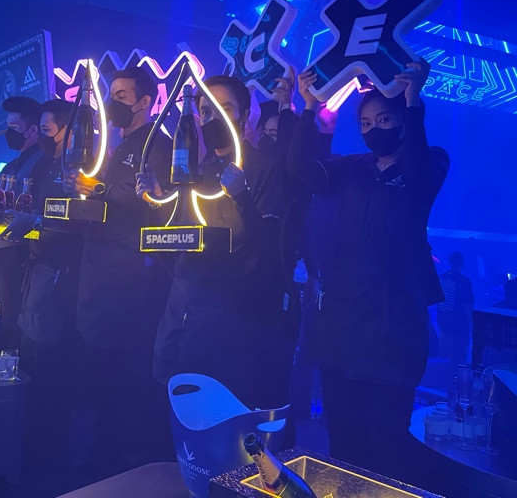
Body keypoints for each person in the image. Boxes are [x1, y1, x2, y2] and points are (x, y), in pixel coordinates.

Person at [287, 61, 449, 482]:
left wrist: (413, 103)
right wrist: (308, 109)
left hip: (396, 323)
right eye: (365, 123)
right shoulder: (352, 167)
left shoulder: (430, 160)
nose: (373, 128)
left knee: (386, 437)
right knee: (343, 437)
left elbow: (417, 180)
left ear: (403, 120)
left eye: (384, 119)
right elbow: (299, 173)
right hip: (342, 322)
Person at [143, 75, 297, 412]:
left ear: (244, 114)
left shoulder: (264, 168)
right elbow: (179, 238)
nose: (213, 118)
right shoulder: (198, 169)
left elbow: (273, 249)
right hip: (183, 322)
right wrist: (156, 200)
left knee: (227, 425)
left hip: (235, 330)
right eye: (206, 111)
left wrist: (241, 196)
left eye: (224, 108)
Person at [74, 66, 173, 472]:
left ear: (145, 101)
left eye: (121, 95)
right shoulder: (117, 147)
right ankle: (104, 455)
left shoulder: (158, 144)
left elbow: (151, 201)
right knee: (104, 372)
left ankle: (134, 463)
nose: (113, 102)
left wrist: (98, 188)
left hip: (133, 278)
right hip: (100, 274)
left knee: (130, 372)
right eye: (111, 94)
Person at [3, 98, 84, 464]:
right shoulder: (44, 165)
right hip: (34, 271)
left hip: (59, 277)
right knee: (30, 360)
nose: (45, 138)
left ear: (67, 129)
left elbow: (78, 222)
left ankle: (51, 452)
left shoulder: (81, 168)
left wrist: (35, 222)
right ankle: (30, 440)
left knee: (51, 365)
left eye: (49, 130)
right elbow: (32, 208)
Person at [0, 96, 43, 349]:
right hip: (2, 249)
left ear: (32, 130)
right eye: (7, 126)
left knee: (11, 317)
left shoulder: (42, 162)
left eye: (14, 127)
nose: (8, 133)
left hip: (21, 252)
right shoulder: (11, 165)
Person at [435, 251, 475, 367]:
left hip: (443, 323)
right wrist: (472, 325)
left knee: (442, 357)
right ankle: (456, 376)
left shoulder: (441, 278)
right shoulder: (464, 280)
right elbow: (468, 305)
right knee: (458, 360)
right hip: (459, 325)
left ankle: (442, 376)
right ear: (462, 263)